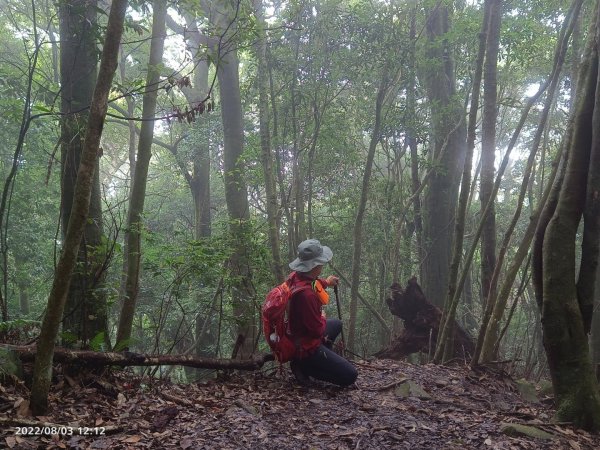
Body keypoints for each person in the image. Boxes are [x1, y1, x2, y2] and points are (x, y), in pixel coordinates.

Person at [287, 239, 358, 387]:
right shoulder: (307, 296)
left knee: (337, 324)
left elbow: (312, 283)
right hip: (306, 347)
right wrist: (323, 317)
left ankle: (322, 359)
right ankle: (306, 367)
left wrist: (326, 282)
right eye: (321, 262)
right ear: (315, 265)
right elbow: (316, 331)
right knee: (350, 376)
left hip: (299, 335)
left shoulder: (296, 276)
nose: (322, 265)